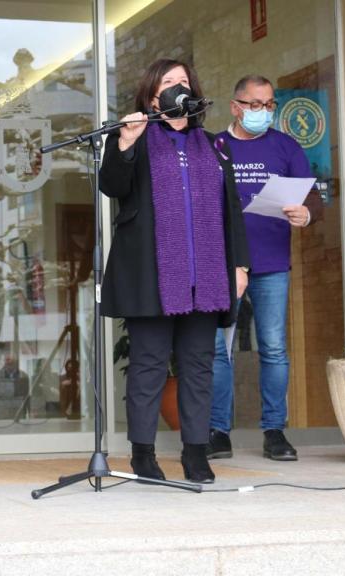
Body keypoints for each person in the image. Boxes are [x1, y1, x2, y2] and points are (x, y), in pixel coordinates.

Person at [100, 59, 250, 483]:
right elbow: (112, 186)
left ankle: (196, 453)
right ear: (153, 97)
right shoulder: (135, 138)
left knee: (199, 365)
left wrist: (239, 264)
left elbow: (231, 211)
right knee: (148, 365)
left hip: (205, 275)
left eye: (184, 81)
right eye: (169, 82)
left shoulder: (213, 145)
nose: (179, 87)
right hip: (152, 276)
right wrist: (126, 142)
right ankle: (143, 455)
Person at [208, 75, 315, 463]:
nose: (263, 112)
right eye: (255, 105)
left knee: (273, 349)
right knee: (219, 351)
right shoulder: (215, 146)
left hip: (272, 263)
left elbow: (311, 198)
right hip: (224, 264)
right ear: (236, 106)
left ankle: (275, 432)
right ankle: (218, 431)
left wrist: (306, 214)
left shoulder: (286, 145)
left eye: (269, 104)